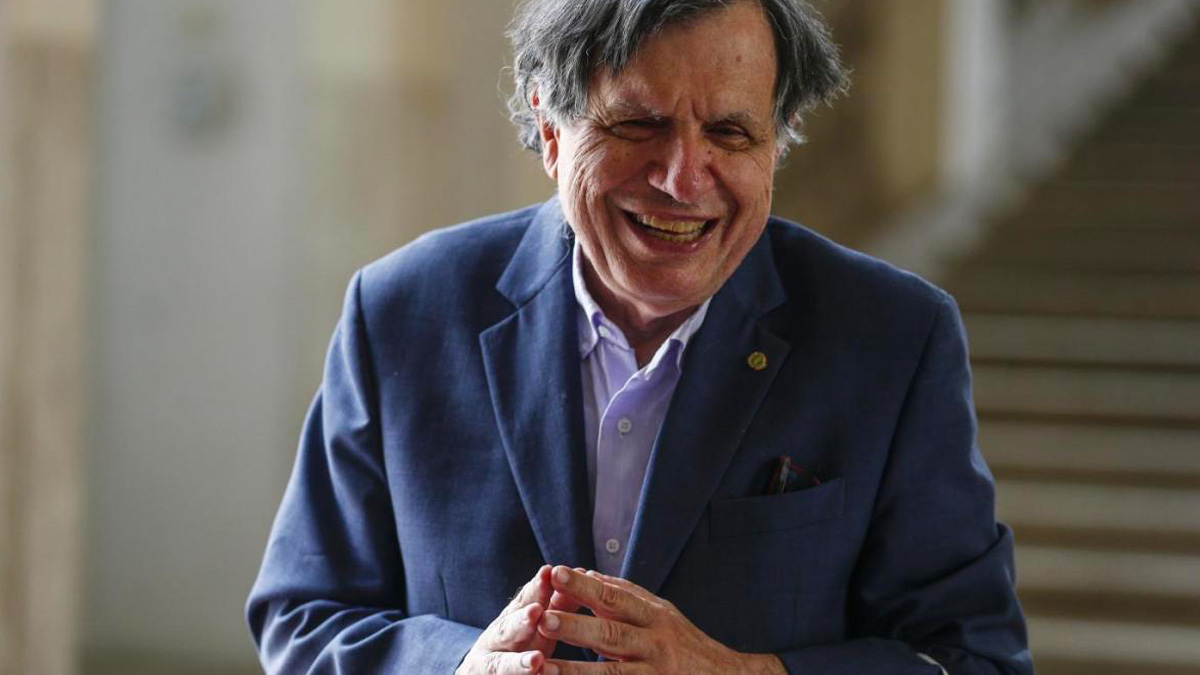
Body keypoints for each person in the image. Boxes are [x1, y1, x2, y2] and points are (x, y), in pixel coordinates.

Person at [247, 1, 1032, 673]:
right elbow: (304, 617)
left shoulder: (894, 340)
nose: (683, 179)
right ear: (550, 127)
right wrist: (459, 666)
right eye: (637, 124)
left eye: (730, 132)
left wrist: (742, 673)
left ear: (780, 139)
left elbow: (974, 658)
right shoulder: (402, 312)